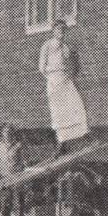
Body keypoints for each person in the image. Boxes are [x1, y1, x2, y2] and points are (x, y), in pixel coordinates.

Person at [39, 21, 88, 154]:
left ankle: (78, 138)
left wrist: (69, 74)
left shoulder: (66, 48)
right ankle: (61, 143)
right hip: (54, 81)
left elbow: (72, 64)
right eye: (58, 29)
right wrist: (53, 77)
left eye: (63, 30)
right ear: (53, 31)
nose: (61, 32)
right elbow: (42, 67)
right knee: (58, 112)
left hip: (65, 80)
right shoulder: (47, 46)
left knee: (74, 106)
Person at [0, 123, 25, 216]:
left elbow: (24, 163)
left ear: (12, 133)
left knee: (19, 205)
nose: (7, 134)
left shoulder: (18, 146)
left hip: (17, 178)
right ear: (2, 133)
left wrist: (22, 176)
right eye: (5, 132)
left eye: (10, 132)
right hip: (5, 180)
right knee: (5, 206)